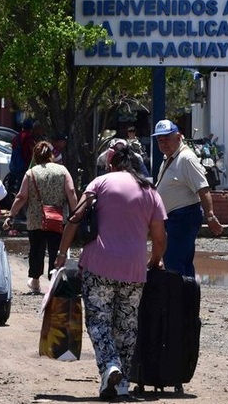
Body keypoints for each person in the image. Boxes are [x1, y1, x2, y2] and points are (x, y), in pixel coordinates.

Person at [55, 146, 167, 400]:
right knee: (127, 328)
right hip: (134, 270)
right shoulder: (150, 190)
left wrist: (62, 254)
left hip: (99, 266)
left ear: (111, 165)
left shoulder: (100, 182)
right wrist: (154, 261)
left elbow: (75, 218)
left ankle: (110, 366)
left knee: (99, 322)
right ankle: (120, 385)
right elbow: (160, 238)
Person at [3, 141, 77, 293]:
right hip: (57, 218)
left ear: (35, 156)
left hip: (36, 218)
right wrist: (76, 213)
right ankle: (54, 281)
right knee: (56, 248)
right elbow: (71, 191)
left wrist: (11, 215)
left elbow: (21, 197)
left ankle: (35, 282)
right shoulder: (62, 170)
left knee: (36, 249)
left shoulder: (31, 173)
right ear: (51, 155)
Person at [152, 119, 224, 277]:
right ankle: (185, 299)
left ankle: (179, 300)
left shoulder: (186, 158)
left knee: (174, 264)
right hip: (173, 218)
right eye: (160, 140)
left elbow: (203, 188)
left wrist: (210, 215)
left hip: (183, 217)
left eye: (167, 139)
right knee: (178, 262)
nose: (163, 143)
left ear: (178, 137)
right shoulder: (169, 158)